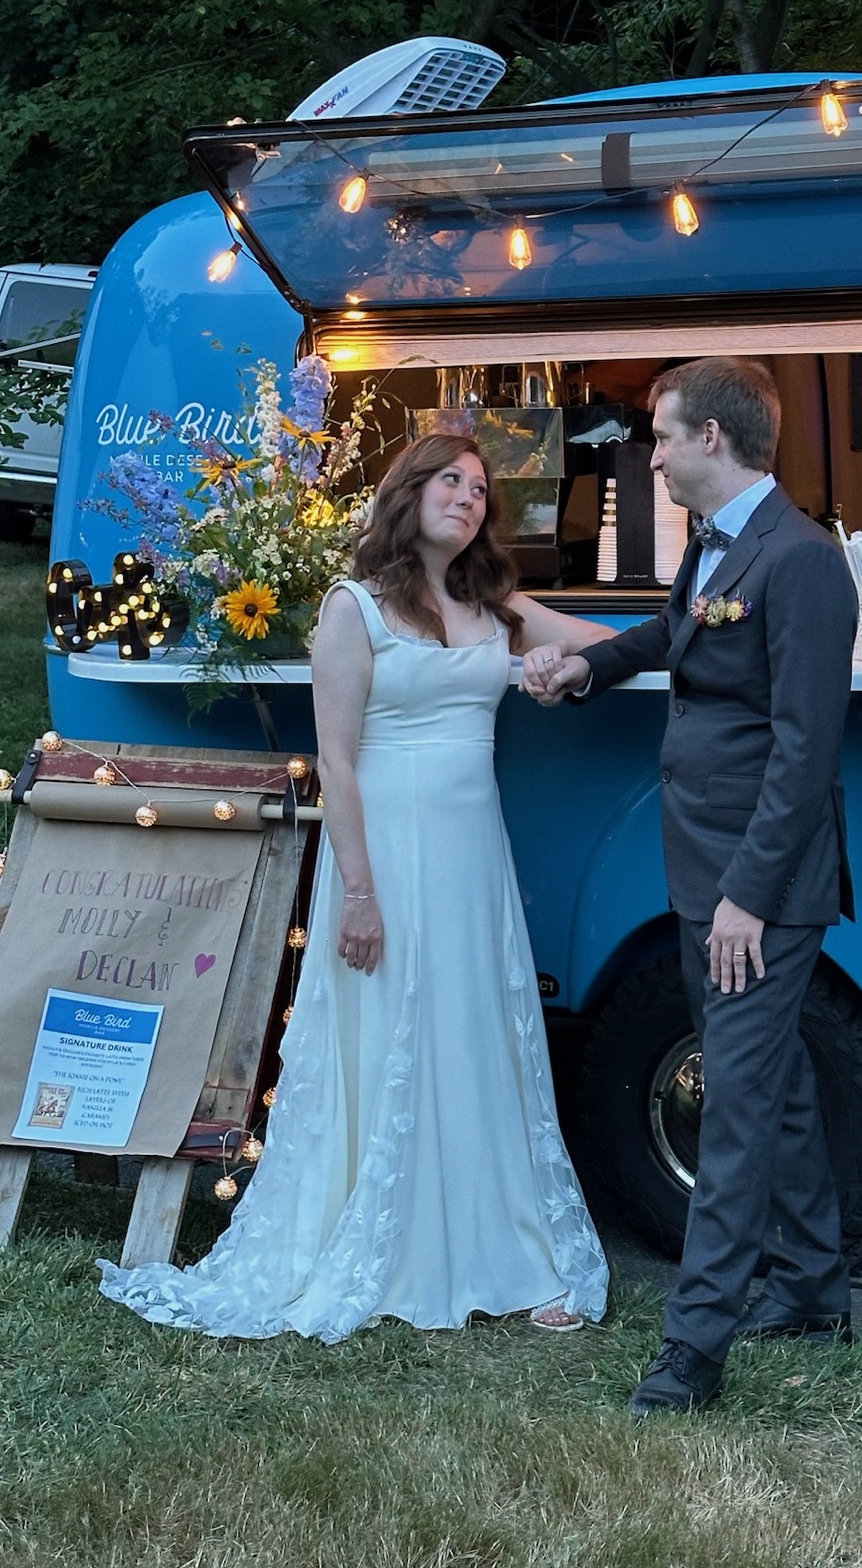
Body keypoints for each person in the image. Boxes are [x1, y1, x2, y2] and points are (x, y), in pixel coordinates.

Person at [99, 434, 612, 1342]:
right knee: (386, 1035)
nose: (467, 497)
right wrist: (362, 895)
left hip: (470, 861)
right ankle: (387, 1241)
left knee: (475, 1028)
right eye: (449, 480)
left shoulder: (494, 604)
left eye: (481, 488)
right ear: (408, 494)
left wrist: (559, 666)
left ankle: (501, 1243)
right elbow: (336, 758)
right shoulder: (355, 607)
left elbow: (604, 645)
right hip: (383, 858)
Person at [523, 357, 857, 1414]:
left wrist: (749, 897)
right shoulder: (721, 547)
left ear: (713, 439)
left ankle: (692, 1350)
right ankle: (810, 1287)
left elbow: (807, 751)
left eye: (662, 435)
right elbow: (679, 635)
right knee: (777, 1085)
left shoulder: (800, 560)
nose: (651, 452)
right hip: (703, 863)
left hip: (756, 880)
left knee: (737, 1104)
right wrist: (590, 668)